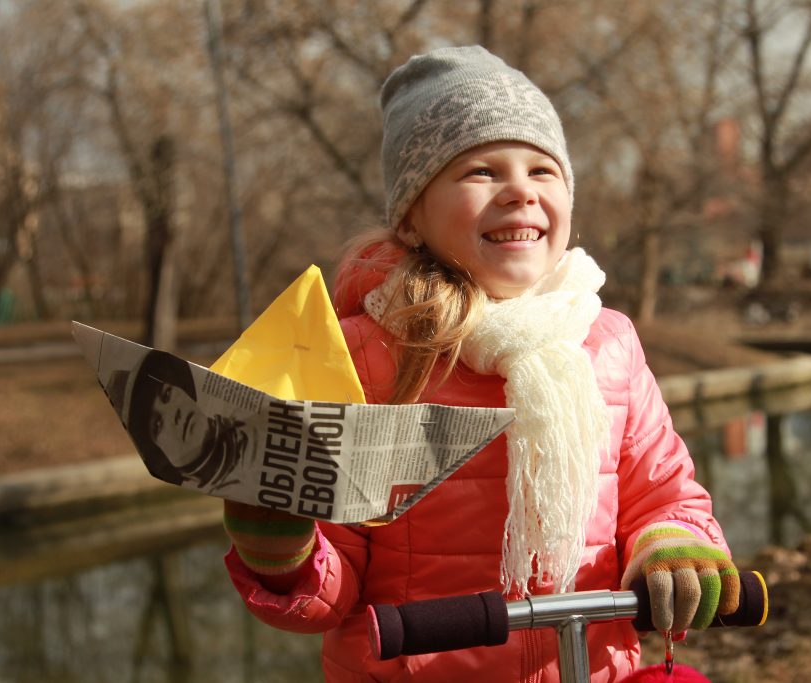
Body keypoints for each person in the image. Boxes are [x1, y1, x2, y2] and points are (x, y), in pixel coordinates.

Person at [222, 46, 739, 681]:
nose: (520, 189)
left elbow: (664, 493)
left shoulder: (608, 341)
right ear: (413, 217)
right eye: (481, 172)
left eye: (543, 171)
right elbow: (330, 596)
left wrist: (675, 546)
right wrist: (281, 548)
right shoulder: (361, 356)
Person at [115, 350, 256, 495]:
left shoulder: (256, 420)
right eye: (157, 424)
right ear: (160, 454)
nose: (175, 413)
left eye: (167, 394)